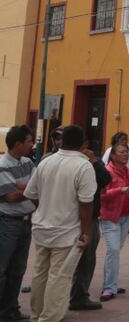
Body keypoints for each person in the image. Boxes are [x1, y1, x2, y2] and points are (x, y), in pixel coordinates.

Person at [22, 124, 95, 322]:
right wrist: (86, 230)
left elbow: (30, 193)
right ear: (83, 144)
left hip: (41, 227)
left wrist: (44, 208)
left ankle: (36, 314)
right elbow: (86, 203)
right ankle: (49, 318)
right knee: (59, 277)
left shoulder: (46, 162)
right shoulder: (83, 166)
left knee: (40, 273)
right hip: (66, 230)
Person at [68, 141, 110, 312]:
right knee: (63, 260)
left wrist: (94, 162)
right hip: (71, 218)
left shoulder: (89, 161)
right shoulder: (54, 160)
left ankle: (79, 295)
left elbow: (106, 180)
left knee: (87, 259)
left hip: (89, 217)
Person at [0, 125, 35, 321]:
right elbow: (11, 196)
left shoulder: (28, 162)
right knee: (3, 269)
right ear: (17, 144)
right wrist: (26, 188)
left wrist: (19, 186)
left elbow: (38, 185)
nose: (32, 144)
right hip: (8, 223)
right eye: (29, 141)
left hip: (26, 222)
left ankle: (11, 309)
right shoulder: (2, 164)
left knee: (18, 269)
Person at [98, 142, 129, 302]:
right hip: (110, 217)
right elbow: (101, 195)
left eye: (127, 152)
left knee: (116, 251)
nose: (126, 154)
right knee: (113, 250)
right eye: (122, 152)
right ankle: (108, 288)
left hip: (126, 216)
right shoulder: (107, 172)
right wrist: (119, 190)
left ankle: (112, 285)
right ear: (113, 155)